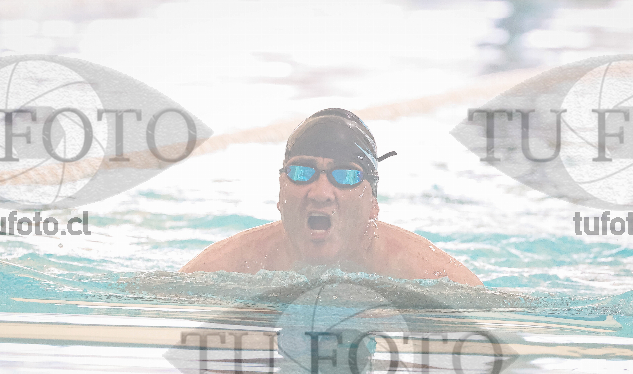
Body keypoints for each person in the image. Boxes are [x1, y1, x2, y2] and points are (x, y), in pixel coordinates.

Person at [180, 108, 482, 286]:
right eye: (302, 172)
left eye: (345, 176)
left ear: (373, 204)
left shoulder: (427, 275)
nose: (321, 193)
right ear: (280, 191)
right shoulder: (224, 267)